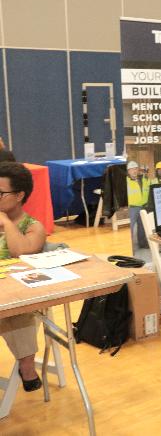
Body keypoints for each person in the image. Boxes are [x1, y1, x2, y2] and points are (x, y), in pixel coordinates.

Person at [0, 162, 47, 392]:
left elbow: (20, 251)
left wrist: (6, 223)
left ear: (19, 195)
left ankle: (27, 367)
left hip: (18, 296)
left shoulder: (33, 227)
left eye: (0, 193)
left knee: (19, 311)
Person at [126, 161, 149, 249]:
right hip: (132, 207)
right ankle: (129, 246)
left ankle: (142, 243)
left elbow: (147, 190)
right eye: (132, 169)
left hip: (143, 206)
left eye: (135, 169)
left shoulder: (142, 179)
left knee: (142, 227)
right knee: (131, 227)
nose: (134, 171)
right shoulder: (126, 181)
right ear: (128, 171)